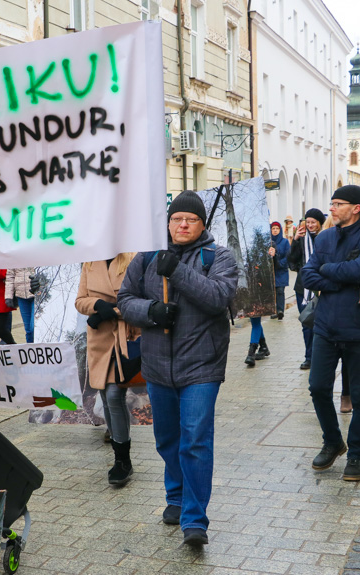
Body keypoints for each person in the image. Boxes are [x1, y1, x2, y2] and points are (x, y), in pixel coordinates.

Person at [117, 191, 239, 546]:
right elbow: (125, 300)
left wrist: (179, 272)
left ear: (202, 225)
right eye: (176, 219)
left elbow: (218, 297)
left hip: (201, 366)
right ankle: (176, 495)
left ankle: (194, 518)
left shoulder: (219, 257)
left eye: (191, 220)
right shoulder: (147, 256)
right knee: (167, 440)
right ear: (167, 222)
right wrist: (151, 312)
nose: (182, 225)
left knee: (196, 441)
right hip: (157, 366)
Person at [301, 185, 360, 482]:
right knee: (318, 387)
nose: (332, 209)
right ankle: (333, 441)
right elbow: (307, 275)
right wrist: (337, 277)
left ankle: (357, 455)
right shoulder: (324, 237)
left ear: (356, 208)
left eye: (337, 204)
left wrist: (327, 273)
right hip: (325, 327)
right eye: (331, 203)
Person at [75, 254, 140, 486]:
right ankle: (119, 450)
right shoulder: (90, 262)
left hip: (126, 334)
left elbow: (142, 299)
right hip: (99, 339)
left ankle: (122, 459)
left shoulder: (133, 259)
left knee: (114, 395)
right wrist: (97, 306)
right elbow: (80, 301)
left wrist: (111, 311)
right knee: (105, 393)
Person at [288, 208, 326, 370]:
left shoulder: (326, 237)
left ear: (319, 223)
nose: (310, 225)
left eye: (313, 222)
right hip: (302, 287)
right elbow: (291, 262)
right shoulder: (302, 239)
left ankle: (321, 356)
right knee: (307, 322)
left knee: (322, 323)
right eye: (308, 222)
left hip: (322, 286)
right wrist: (295, 240)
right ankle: (309, 357)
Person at [6, 268, 36, 343]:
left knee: (33, 328)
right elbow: (10, 276)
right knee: (28, 330)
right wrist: (8, 296)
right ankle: (30, 349)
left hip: (35, 294)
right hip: (21, 296)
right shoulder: (14, 258)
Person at [269, 221, 290, 320]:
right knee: (273, 292)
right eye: (273, 229)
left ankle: (280, 310)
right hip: (272, 271)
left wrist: (281, 263)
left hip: (281, 270)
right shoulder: (268, 241)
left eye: (277, 228)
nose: (275, 230)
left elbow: (288, 255)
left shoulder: (285, 242)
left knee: (280, 290)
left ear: (280, 230)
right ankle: (274, 311)